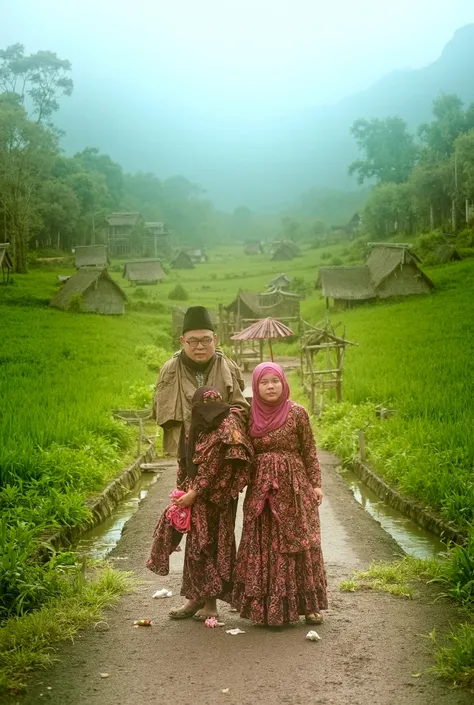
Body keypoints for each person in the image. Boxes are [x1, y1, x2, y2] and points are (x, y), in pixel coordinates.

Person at [233, 362, 328, 627]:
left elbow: (309, 451)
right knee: (263, 545)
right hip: (261, 492)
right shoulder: (247, 416)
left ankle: (309, 607)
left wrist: (316, 484)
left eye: (275, 381)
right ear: (255, 386)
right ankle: (266, 610)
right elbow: (241, 453)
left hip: (295, 490)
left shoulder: (298, 413)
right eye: (264, 382)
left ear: (283, 382)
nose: (270, 386)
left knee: (299, 543)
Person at [147, 386, 253, 620]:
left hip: (218, 501)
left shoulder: (226, 426)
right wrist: (183, 492)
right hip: (197, 498)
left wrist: (195, 492)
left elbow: (215, 464)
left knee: (210, 548)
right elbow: (186, 460)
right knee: (195, 549)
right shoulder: (196, 427)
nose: (210, 412)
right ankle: (195, 598)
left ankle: (211, 605)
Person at [155, 305, 249, 457]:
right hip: (186, 448)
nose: (200, 347)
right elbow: (160, 410)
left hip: (222, 448)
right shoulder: (169, 370)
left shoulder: (227, 367)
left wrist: (219, 421)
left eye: (206, 340)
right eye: (192, 341)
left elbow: (241, 408)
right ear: (182, 341)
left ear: (215, 339)